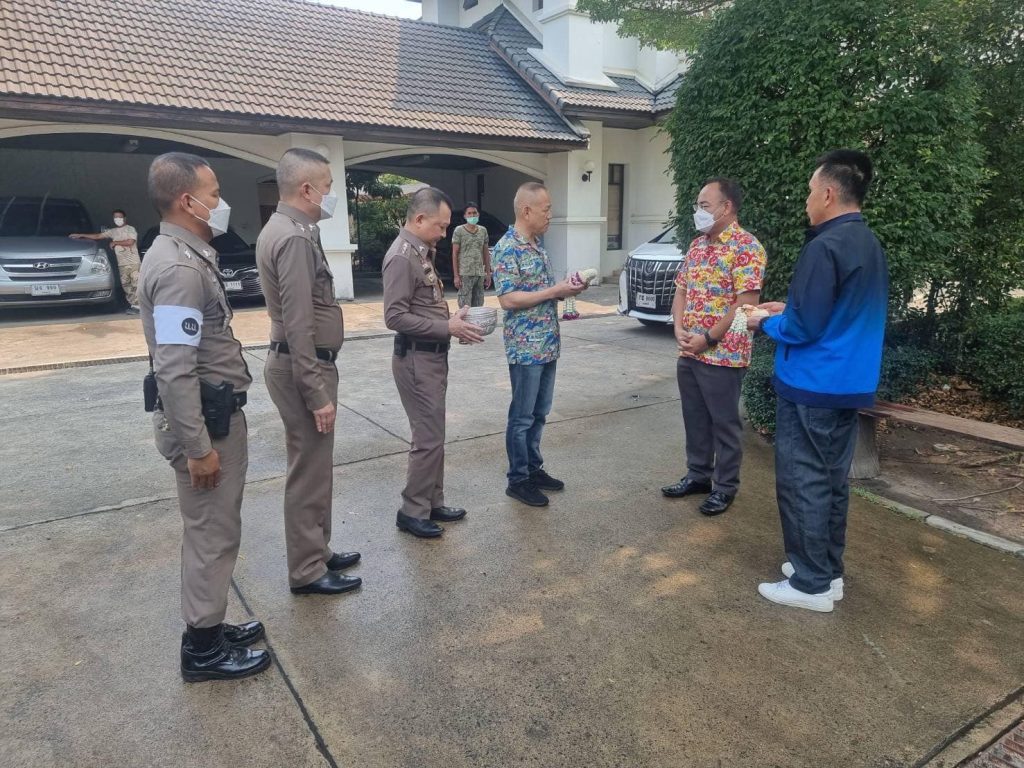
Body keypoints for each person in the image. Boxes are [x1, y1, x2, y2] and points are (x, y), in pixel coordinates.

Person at [139, 152, 270, 682]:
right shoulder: (178, 268)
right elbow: (174, 369)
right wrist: (198, 448)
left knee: (215, 530)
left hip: (212, 416)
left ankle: (210, 625)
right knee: (211, 534)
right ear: (186, 201)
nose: (221, 203)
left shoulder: (185, 255)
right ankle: (203, 649)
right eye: (214, 194)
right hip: (206, 426)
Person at [750, 149, 888, 613]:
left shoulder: (824, 246)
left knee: (802, 480)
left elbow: (804, 328)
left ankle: (809, 584)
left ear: (828, 194)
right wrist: (785, 310)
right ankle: (827, 572)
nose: (806, 200)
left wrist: (763, 321)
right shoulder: (866, 241)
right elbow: (835, 313)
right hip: (848, 383)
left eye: (810, 191)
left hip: (813, 383)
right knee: (831, 480)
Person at [256, 148, 362, 596]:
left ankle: (317, 549)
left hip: (304, 363)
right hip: (304, 366)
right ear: (306, 189)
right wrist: (316, 392)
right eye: (328, 187)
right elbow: (298, 323)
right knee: (308, 472)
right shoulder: (294, 238)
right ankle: (306, 570)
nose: (331, 195)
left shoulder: (290, 229)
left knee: (316, 467)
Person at [661, 178, 767, 516]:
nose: (699, 211)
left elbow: (746, 303)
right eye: (698, 205)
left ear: (727, 207)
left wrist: (707, 338)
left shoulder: (746, 247)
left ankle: (724, 487)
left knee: (724, 424)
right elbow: (681, 289)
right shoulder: (697, 246)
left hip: (723, 355)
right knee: (695, 419)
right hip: (689, 350)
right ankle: (698, 475)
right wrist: (679, 328)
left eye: (705, 205)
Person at [383, 187, 483, 538]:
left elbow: (423, 307)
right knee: (426, 438)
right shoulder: (401, 257)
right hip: (415, 360)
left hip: (431, 357)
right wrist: (446, 327)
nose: (444, 232)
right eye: (440, 226)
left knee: (435, 436)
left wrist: (454, 321)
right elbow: (394, 317)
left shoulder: (420, 251)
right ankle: (412, 511)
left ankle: (431, 502)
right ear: (420, 218)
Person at [493, 182, 586, 508]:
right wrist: (554, 291)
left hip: (547, 343)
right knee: (522, 417)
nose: (550, 215)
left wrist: (565, 290)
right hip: (525, 347)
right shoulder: (507, 248)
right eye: (546, 209)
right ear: (526, 210)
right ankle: (518, 480)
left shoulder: (536, 245)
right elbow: (508, 299)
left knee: (539, 414)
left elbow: (540, 292)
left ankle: (533, 469)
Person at [70, 208, 142, 313]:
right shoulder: (113, 231)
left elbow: (130, 242)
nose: (117, 219)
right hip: (122, 264)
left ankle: (141, 305)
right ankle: (134, 306)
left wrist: (115, 243)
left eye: (119, 217)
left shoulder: (130, 229)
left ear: (124, 218)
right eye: (115, 217)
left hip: (133, 263)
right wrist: (81, 235)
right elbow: (98, 236)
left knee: (136, 284)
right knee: (126, 285)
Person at [451, 202, 492, 324]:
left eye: (474, 213)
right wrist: (456, 276)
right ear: (465, 216)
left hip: (479, 273)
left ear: (478, 214)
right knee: (464, 306)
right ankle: (463, 329)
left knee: (478, 305)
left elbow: (485, 253)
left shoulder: (483, 231)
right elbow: (454, 253)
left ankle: (475, 329)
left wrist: (488, 273)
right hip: (465, 274)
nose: (472, 215)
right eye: (469, 213)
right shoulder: (459, 231)